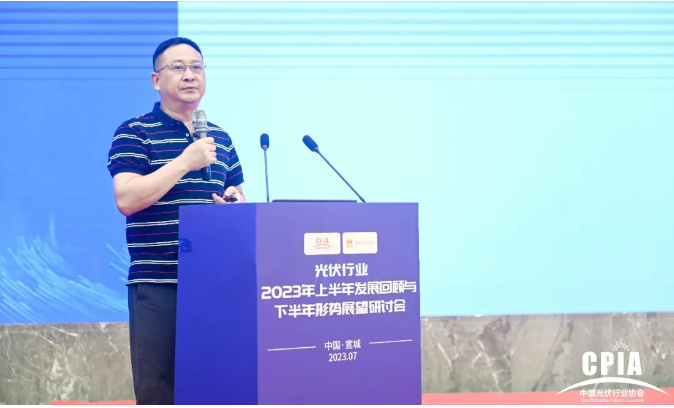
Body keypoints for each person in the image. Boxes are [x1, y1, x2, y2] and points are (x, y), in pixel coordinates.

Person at [106, 37, 246, 404]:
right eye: (178, 67)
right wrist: (185, 161)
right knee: (159, 389)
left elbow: (238, 197)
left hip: (215, 283)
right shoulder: (134, 132)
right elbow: (126, 198)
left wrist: (233, 208)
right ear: (156, 80)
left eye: (197, 67)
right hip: (159, 282)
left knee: (218, 386)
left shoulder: (221, 139)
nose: (190, 75)